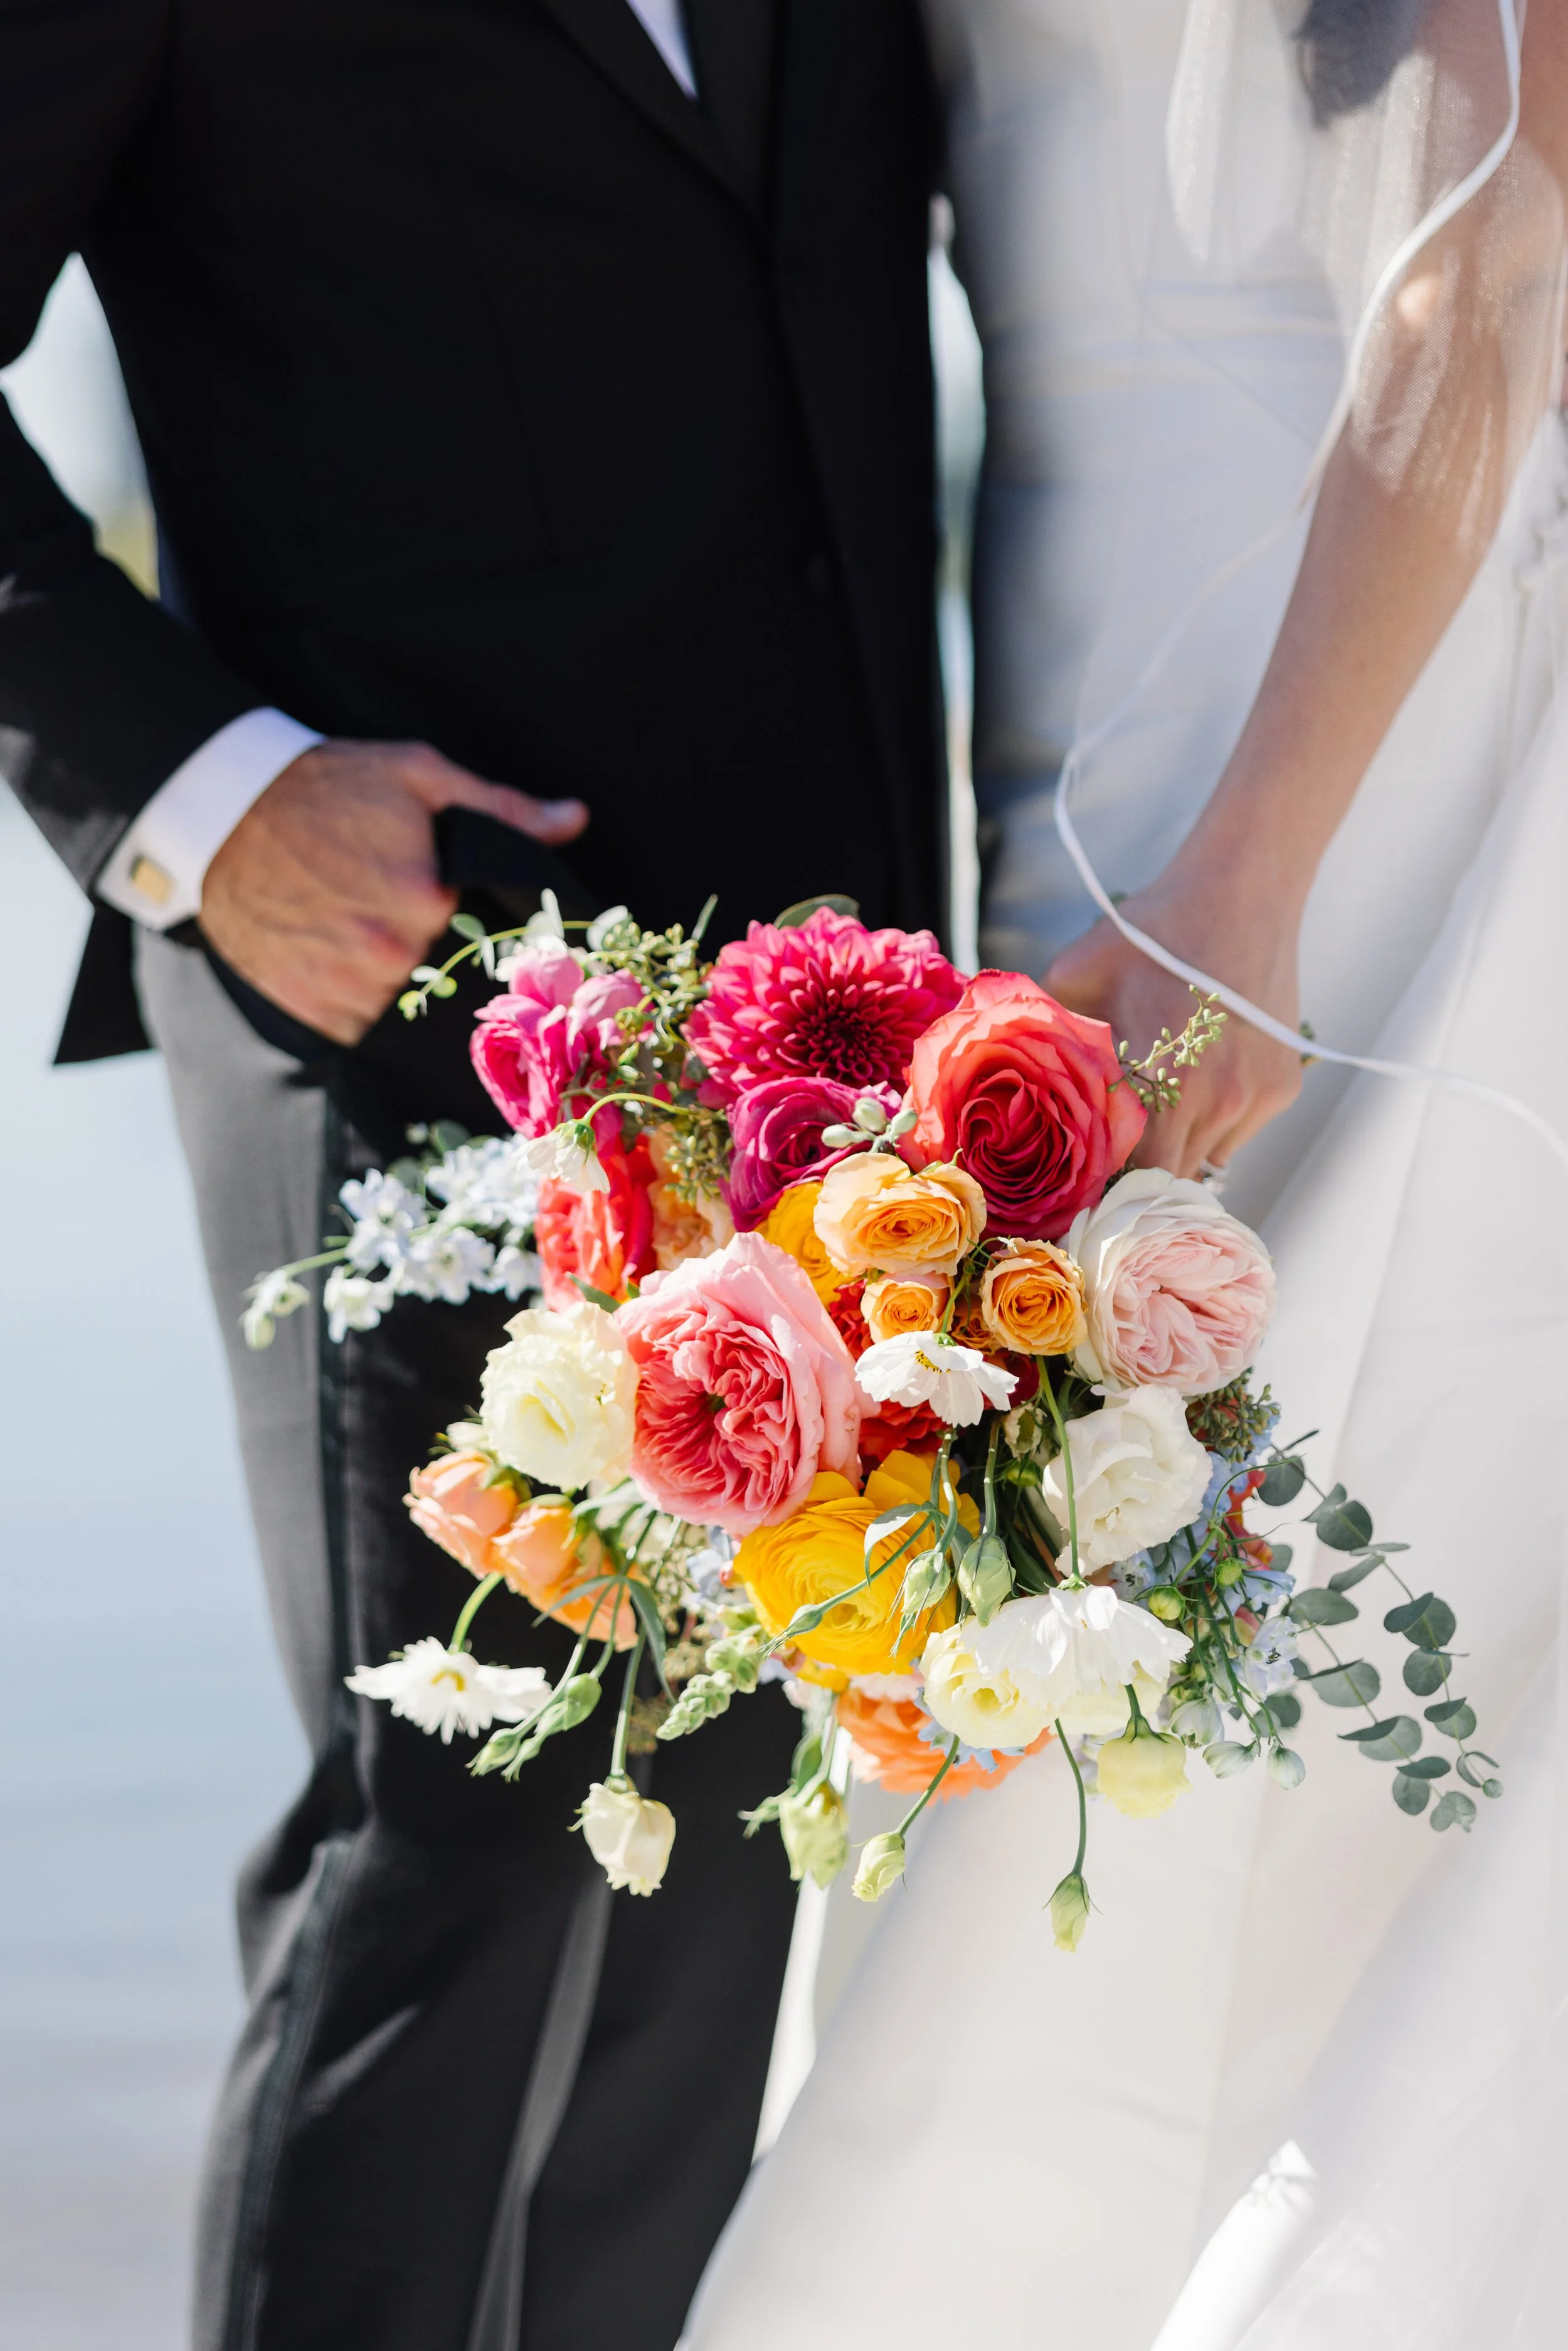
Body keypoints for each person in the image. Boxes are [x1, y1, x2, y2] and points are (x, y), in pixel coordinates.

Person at [0, 7, 945, 2348]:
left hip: (843, 1040)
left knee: (721, 1854)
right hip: (398, 990)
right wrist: (201, 799)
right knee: (464, 1837)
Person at [684, 0, 1568, 2343]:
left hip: (1344, 697)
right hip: (1067, 709)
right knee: (1068, 1595)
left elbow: (1492, 233)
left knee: (1283, 1572)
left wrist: (1252, 870)